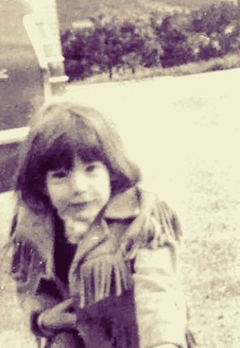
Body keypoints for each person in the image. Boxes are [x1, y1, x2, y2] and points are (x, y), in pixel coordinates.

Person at [4, 102, 194, 347]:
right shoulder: (35, 226)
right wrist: (46, 319)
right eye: (60, 175)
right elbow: (34, 290)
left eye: (91, 169)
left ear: (111, 171)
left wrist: (163, 342)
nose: (78, 188)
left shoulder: (139, 218)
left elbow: (158, 291)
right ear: (42, 184)